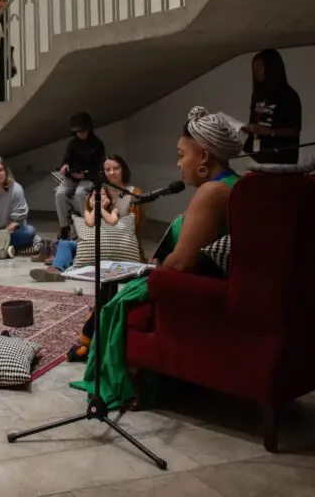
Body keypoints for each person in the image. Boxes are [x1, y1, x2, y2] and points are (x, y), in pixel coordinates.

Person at [69, 106, 242, 407]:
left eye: (180, 155)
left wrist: (153, 272)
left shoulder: (212, 192)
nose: (177, 164)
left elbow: (184, 263)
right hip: (214, 285)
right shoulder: (234, 183)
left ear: (203, 156)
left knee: (113, 305)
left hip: (192, 290)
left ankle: (125, 383)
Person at [33, 153, 144, 269]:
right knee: (64, 244)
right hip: (93, 244)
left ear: (123, 169)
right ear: (103, 172)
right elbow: (88, 221)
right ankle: (55, 270)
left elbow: (137, 228)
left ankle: (57, 254)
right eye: (107, 169)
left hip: (120, 245)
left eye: (116, 168)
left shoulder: (134, 193)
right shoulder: (97, 191)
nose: (112, 172)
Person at [244, 48, 302, 164]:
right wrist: (248, 128)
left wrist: (269, 132)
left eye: (260, 67)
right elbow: (255, 122)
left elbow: (294, 130)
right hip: (257, 156)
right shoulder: (257, 95)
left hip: (281, 158)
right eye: (254, 68)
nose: (256, 72)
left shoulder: (288, 95)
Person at [53, 112, 106, 228]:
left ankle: (86, 225)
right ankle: (64, 227)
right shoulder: (72, 143)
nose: (80, 134)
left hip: (89, 177)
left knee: (80, 193)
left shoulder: (97, 144)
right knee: (59, 194)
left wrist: (84, 175)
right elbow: (66, 160)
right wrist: (65, 166)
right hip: (72, 177)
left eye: (82, 131)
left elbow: (100, 168)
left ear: (89, 129)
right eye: (78, 132)